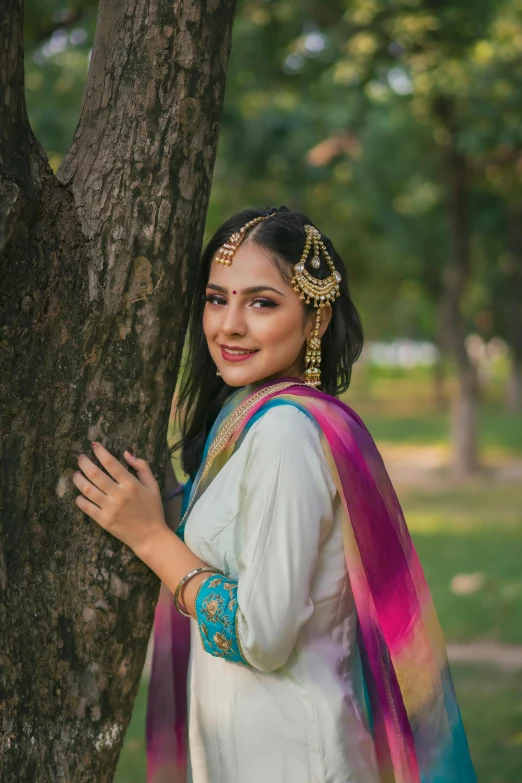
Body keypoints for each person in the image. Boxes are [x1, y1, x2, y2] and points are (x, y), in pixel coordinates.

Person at [72, 207, 476, 783]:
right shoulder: (247, 422)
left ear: (315, 318)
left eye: (261, 303)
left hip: (295, 755)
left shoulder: (286, 434)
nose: (230, 325)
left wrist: (148, 537)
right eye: (217, 299)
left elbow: (259, 635)